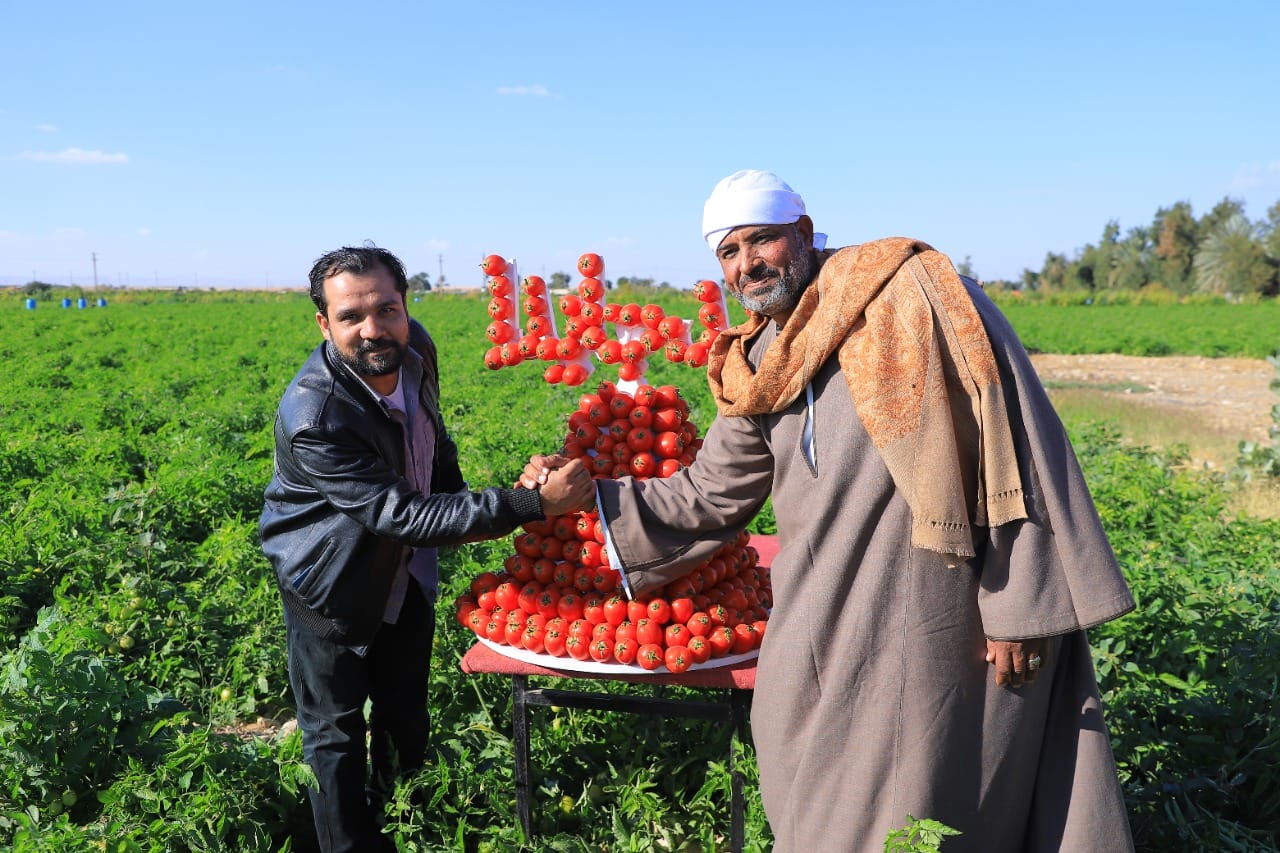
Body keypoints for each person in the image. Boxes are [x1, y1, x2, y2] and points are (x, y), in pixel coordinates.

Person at [524, 171, 1136, 851]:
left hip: (946, 607)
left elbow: (1013, 441)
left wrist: (1021, 604)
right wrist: (589, 492)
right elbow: (711, 493)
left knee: (933, 796)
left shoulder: (916, 297)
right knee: (802, 764)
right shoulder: (761, 360)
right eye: (728, 252)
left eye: (762, 240)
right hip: (823, 611)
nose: (746, 263)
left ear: (805, 235)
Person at [260, 244, 594, 852]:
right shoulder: (317, 414)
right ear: (323, 323)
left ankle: (403, 829)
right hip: (331, 586)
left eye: (386, 309)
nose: (372, 329)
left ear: (405, 305)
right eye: (350, 317)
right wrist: (527, 507)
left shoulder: (416, 353)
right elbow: (398, 512)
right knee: (333, 734)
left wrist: (490, 497)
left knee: (404, 715)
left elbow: (431, 444)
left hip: (405, 573)